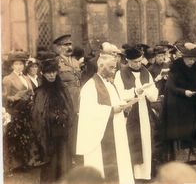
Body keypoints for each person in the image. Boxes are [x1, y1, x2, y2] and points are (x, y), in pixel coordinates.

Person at [77, 46, 135, 184]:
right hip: (100, 137)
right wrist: (111, 110)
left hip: (116, 131)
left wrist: (125, 106)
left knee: (119, 166)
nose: (114, 70)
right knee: (104, 169)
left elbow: (115, 101)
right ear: (101, 66)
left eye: (115, 67)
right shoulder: (91, 86)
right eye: (111, 67)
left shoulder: (109, 84)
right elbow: (88, 111)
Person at [114, 47, 158, 181]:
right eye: (134, 62)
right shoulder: (120, 74)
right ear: (127, 60)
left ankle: (146, 173)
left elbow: (154, 93)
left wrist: (147, 92)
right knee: (133, 141)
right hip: (130, 113)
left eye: (139, 61)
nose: (138, 64)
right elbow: (119, 94)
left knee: (146, 141)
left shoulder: (146, 72)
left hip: (144, 111)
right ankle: (134, 175)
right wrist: (135, 92)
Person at [32, 51, 74, 183]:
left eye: (53, 72)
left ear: (57, 72)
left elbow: (70, 108)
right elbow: (37, 115)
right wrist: (52, 116)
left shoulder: (63, 89)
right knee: (50, 165)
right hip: (48, 134)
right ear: (43, 74)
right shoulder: (40, 92)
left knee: (64, 163)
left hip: (62, 133)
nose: (51, 75)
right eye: (48, 73)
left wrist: (63, 116)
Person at [161, 43, 196, 163]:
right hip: (177, 103)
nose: (192, 61)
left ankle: (194, 157)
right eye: (189, 59)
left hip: (192, 102)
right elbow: (170, 86)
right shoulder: (175, 67)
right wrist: (184, 92)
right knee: (181, 129)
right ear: (183, 58)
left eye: (194, 59)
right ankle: (181, 158)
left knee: (193, 128)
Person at [2, 51, 39, 172]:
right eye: (17, 64)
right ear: (12, 66)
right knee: (15, 137)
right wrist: (15, 97)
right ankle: (14, 165)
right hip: (15, 111)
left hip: (26, 110)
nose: (19, 66)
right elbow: (4, 98)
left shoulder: (26, 78)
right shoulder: (7, 79)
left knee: (26, 135)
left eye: (21, 64)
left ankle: (26, 161)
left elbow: (31, 92)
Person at [54, 34, 81, 160]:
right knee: (67, 127)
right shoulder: (56, 62)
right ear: (59, 48)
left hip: (77, 99)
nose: (69, 47)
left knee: (77, 126)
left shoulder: (75, 61)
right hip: (64, 99)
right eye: (66, 45)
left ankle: (75, 152)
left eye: (70, 44)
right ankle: (67, 155)